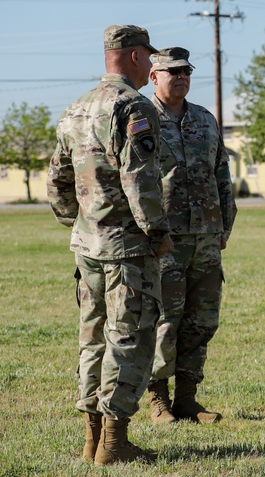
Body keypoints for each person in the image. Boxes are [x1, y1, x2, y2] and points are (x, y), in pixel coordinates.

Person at [47, 24, 172, 465]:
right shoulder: (132, 106)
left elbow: (58, 180)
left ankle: (91, 439)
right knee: (129, 338)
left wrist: (78, 223)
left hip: (88, 247)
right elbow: (140, 178)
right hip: (127, 249)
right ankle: (114, 444)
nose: (152, 65)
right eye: (149, 58)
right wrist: (157, 233)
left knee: (93, 339)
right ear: (136, 57)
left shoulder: (75, 109)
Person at [144, 48, 237, 425]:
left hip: (206, 236)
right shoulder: (142, 117)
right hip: (164, 239)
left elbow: (222, 175)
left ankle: (188, 399)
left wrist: (224, 226)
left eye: (185, 71)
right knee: (165, 318)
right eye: (172, 72)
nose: (180, 77)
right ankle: (157, 399)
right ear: (154, 77)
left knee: (202, 320)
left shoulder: (204, 118)